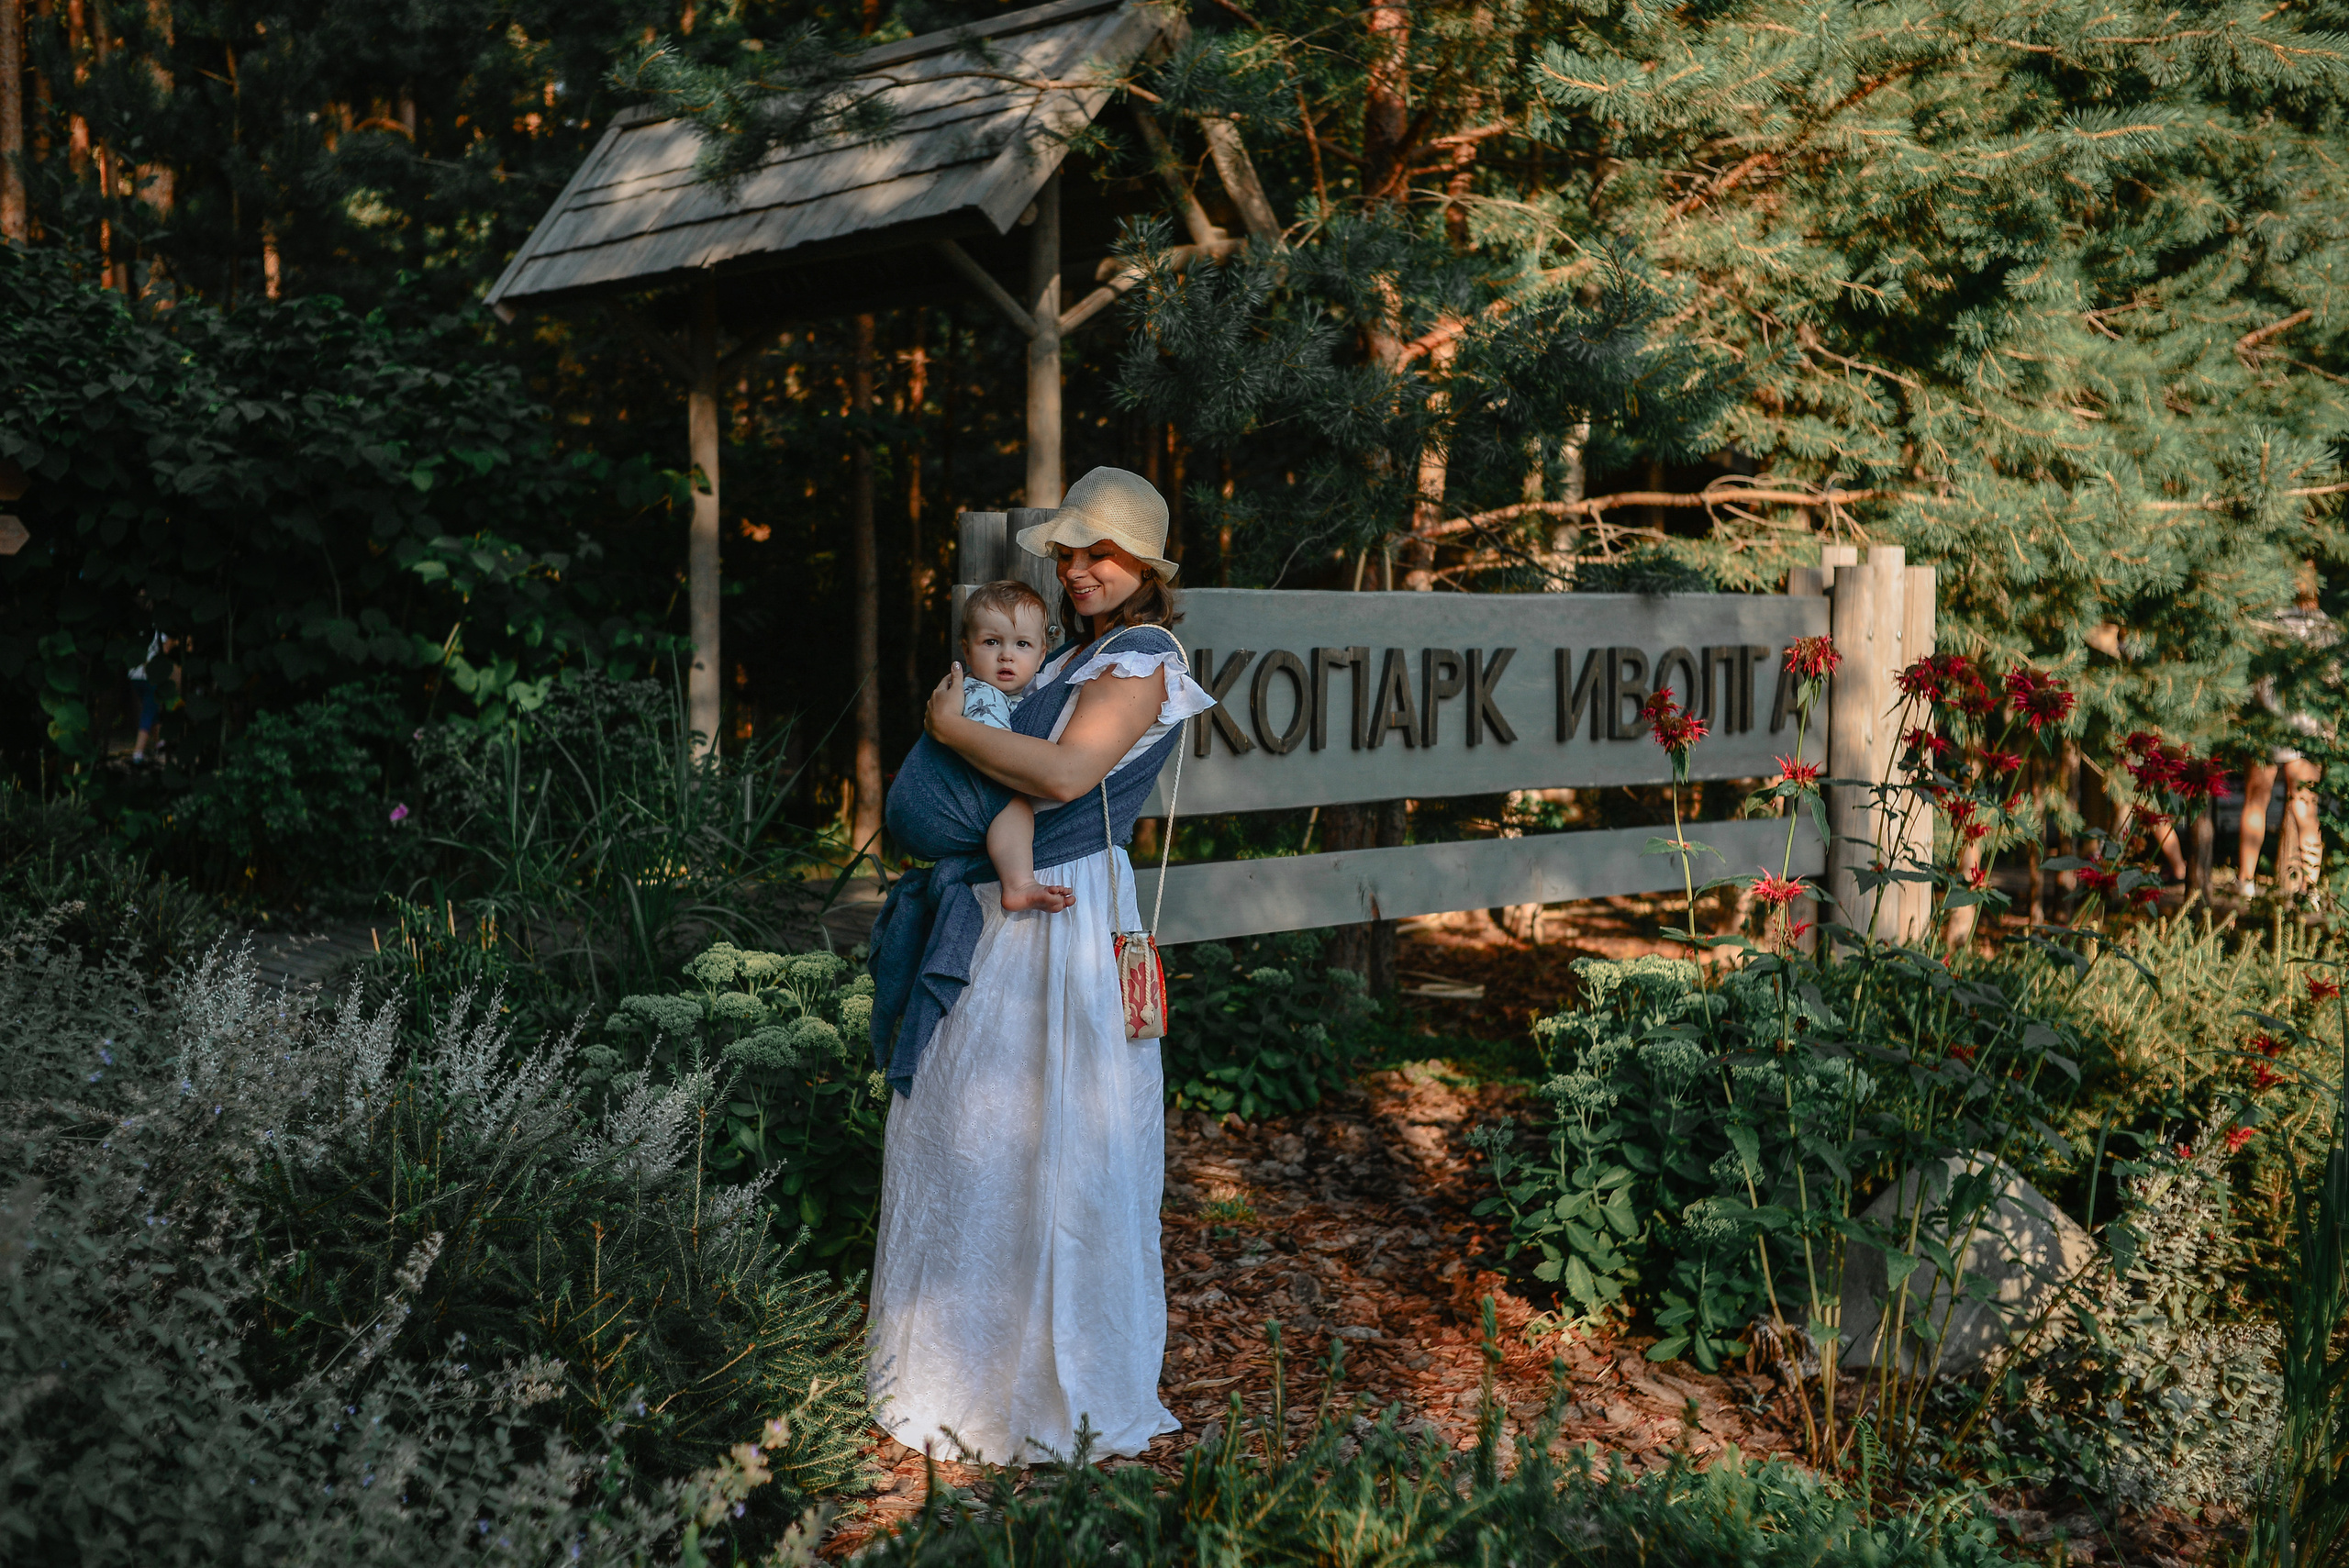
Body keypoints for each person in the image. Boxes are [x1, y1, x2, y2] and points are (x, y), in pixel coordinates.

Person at [864, 466, 1214, 1465]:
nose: (1078, 568)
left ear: (1144, 564)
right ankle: (960, 1372)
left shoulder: (1144, 655)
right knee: (974, 1130)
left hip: (1064, 914)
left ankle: (1051, 1385)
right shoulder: (1076, 651)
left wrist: (949, 730)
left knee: (1055, 1136)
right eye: (1069, 551)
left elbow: (1063, 774)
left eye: (1100, 552)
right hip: (1010, 906)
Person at [955, 578, 1073, 914]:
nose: (1006, 655)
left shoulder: (1028, 696)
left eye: (1022, 644)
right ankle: (1019, 884)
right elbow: (998, 752)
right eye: (991, 642)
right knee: (1015, 807)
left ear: (1041, 655)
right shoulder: (980, 694)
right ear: (967, 649)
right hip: (980, 789)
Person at [2238, 589, 2334, 896]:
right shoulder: (2323, 626)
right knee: (2305, 806)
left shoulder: (2266, 619)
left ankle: (2246, 882)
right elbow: (2332, 680)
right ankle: (2312, 888)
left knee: (2256, 801)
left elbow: (2250, 671)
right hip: (2306, 723)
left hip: (2267, 721)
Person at [128, 628, 175, 764]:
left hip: (134, 674)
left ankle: (160, 742)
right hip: (150, 675)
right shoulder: (162, 629)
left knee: (151, 709)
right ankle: (138, 752)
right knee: (148, 711)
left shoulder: (140, 629)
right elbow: (166, 650)